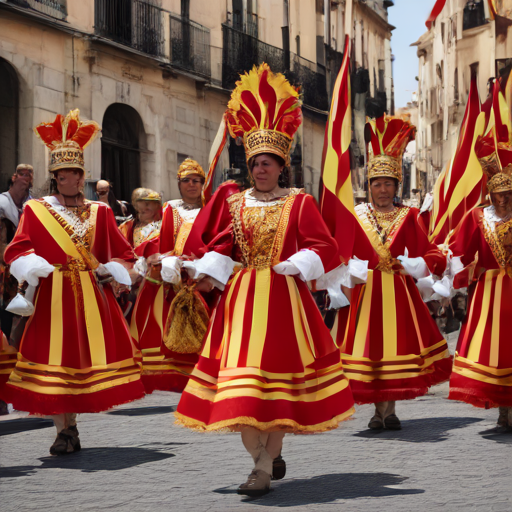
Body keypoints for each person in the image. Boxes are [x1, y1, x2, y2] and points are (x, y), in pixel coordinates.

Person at [172, 64, 355, 497]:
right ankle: (265, 459)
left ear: (281, 165)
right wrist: (199, 272)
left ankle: (263, 469)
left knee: (276, 392)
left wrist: (298, 262)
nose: (261, 169)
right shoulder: (233, 204)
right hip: (241, 301)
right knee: (243, 391)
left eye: (268, 163)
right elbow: (219, 248)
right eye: (255, 163)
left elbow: (325, 246)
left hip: (284, 301)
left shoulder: (300, 202)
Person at [2, 109, 145, 454]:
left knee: (82, 361)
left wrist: (115, 269)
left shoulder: (102, 212)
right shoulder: (36, 210)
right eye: (67, 173)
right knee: (57, 362)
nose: (76, 178)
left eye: (79, 172)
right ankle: (63, 429)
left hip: (92, 295)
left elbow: (124, 253)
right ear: (56, 176)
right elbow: (16, 250)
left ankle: (73, 424)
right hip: (52, 293)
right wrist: (29, 263)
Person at [331, 115, 452, 430]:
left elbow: (431, 251)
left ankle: (390, 409)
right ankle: (376, 410)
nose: (382, 189)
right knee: (370, 351)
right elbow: (339, 251)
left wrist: (415, 265)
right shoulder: (355, 216)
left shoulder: (410, 216)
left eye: (388, 184)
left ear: (396, 186)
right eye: (377, 183)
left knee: (394, 350)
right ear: (368, 186)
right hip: (364, 292)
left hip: (398, 293)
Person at [448, 93, 512, 430]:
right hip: (490, 294)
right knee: (495, 350)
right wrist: (450, 277)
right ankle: (503, 408)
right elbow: (459, 251)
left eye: (509, 194)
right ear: (489, 192)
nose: (503, 198)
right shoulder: (477, 217)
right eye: (498, 193)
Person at [130, 159, 207, 394]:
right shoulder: (169, 208)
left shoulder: (213, 207)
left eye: (196, 180)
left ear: (203, 184)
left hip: (202, 275)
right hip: (171, 275)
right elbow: (156, 238)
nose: (191, 185)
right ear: (179, 184)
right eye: (186, 180)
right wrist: (151, 255)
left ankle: (205, 370)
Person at [0, 164, 34, 414]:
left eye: (30, 175)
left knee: (22, 326)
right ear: (13, 178)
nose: (26, 178)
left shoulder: (34, 205)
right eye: (22, 174)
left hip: (25, 273)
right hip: (3, 273)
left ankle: (24, 383)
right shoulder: (2, 203)